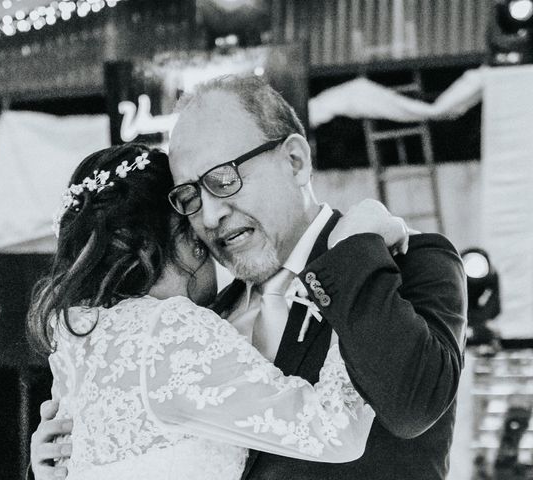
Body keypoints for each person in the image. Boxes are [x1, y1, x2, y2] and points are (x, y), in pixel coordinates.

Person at [31, 75, 467, 480]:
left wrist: (352, 255)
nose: (210, 214)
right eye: (190, 195)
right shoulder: (195, 318)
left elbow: (412, 407)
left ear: (295, 161)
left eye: (223, 179)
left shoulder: (412, 264)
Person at [28, 143, 380, 480]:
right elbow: (337, 430)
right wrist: (355, 266)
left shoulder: (76, 337)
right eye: (195, 235)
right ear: (155, 243)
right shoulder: (168, 328)